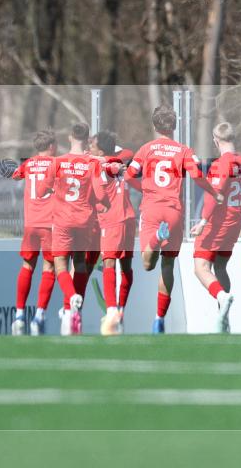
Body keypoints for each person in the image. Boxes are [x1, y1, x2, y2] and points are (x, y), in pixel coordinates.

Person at [125, 105, 223, 334]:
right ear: (175, 126)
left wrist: (144, 188)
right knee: (167, 265)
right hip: (173, 212)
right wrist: (213, 192)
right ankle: (159, 319)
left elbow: (128, 176)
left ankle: (156, 239)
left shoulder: (146, 149)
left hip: (151, 208)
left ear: (154, 125)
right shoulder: (183, 151)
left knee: (147, 264)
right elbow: (197, 175)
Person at [39, 123, 104, 335]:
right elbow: (100, 194)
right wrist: (105, 204)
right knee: (80, 263)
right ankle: (73, 311)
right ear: (88, 140)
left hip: (63, 221)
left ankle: (71, 299)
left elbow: (40, 190)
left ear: (69, 138)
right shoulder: (92, 163)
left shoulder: (57, 162)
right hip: (84, 221)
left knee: (60, 265)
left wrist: (51, 190)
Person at [189, 122, 241, 333]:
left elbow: (215, 195)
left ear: (215, 140)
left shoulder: (221, 164)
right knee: (220, 268)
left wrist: (203, 222)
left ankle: (222, 297)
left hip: (218, 224)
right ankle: (224, 319)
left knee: (200, 268)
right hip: (234, 222)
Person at [10, 130, 58, 336]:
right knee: (49, 267)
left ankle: (19, 315)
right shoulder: (56, 164)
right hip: (49, 224)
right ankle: (39, 316)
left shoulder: (28, 163)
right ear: (51, 146)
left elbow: (15, 175)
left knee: (27, 265)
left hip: (30, 224)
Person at [89, 131, 136, 336]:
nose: (89, 148)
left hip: (112, 220)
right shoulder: (116, 160)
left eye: (92, 145)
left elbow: (99, 194)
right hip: (128, 218)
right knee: (125, 266)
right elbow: (128, 153)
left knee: (109, 263)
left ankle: (111, 312)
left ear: (100, 151)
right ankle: (121, 311)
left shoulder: (98, 165)